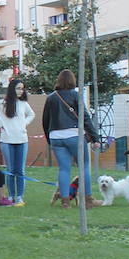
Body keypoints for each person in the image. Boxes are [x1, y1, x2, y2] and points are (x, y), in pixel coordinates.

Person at [41, 69, 95, 206]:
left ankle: (65, 201)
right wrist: (95, 137)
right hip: (73, 135)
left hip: (55, 137)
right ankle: (88, 199)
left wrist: (50, 139)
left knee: (64, 169)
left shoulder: (51, 97)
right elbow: (85, 117)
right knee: (84, 166)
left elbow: (45, 121)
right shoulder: (75, 95)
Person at [0, 78, 35, 206]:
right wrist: (0, 123)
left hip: (22, 140)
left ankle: (19, 197)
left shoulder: (24, 104)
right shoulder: (3, 104)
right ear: (12, 89)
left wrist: (24, 124)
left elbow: (31, 115)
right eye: (18, 88)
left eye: (22, 88)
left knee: (20, 170)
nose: (21, 91)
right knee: (11, 170)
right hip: (7, 140)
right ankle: (11, 196)